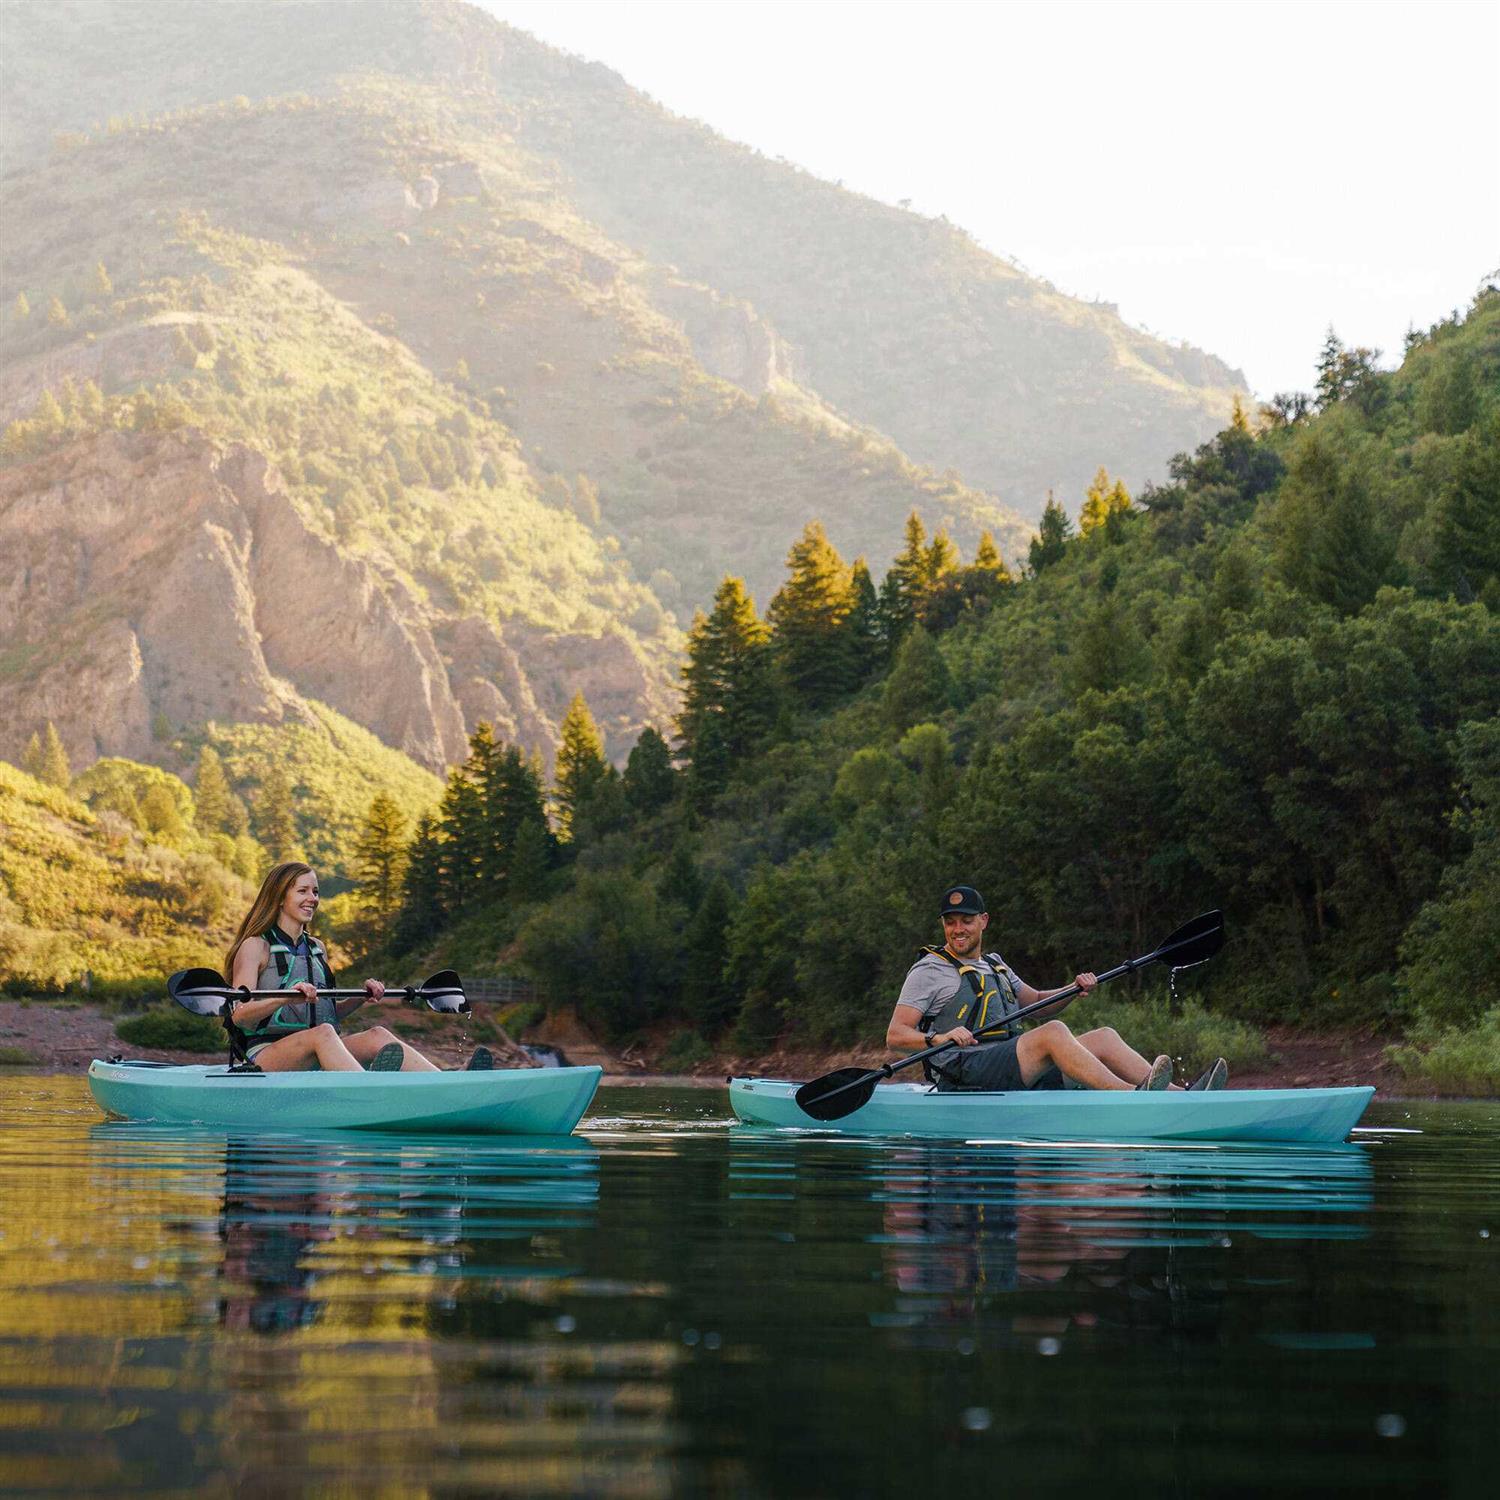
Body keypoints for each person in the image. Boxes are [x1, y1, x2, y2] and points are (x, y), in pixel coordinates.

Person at [886, 885, 1228, 1093]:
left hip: (1007, 1064)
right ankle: (1132, 1097)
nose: (957, 929)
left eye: (966, 921)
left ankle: (1178, 1097)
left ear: (983, 921)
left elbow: (1035, 1002)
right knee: (1053, 1033)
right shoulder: (929, 969)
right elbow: (896, 1036)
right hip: (964, 1071)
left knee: (1104, 1036)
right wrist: (939, 1038)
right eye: (950, 922)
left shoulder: (995, 964)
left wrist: (1073, 988)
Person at [225, 861, 487, 1073]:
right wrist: (285, 998)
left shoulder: (317, 948)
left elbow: (326, 1015)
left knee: (377, 1035)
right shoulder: (255, 946)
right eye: (302, 891)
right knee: (324, 1034)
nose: (312, 898)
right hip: (267, 1055)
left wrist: (361, 997)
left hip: (317, 1045)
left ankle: (443, 1085)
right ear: (280, 898)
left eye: (315, 891)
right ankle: (369, 1093)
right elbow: (240, 1015)